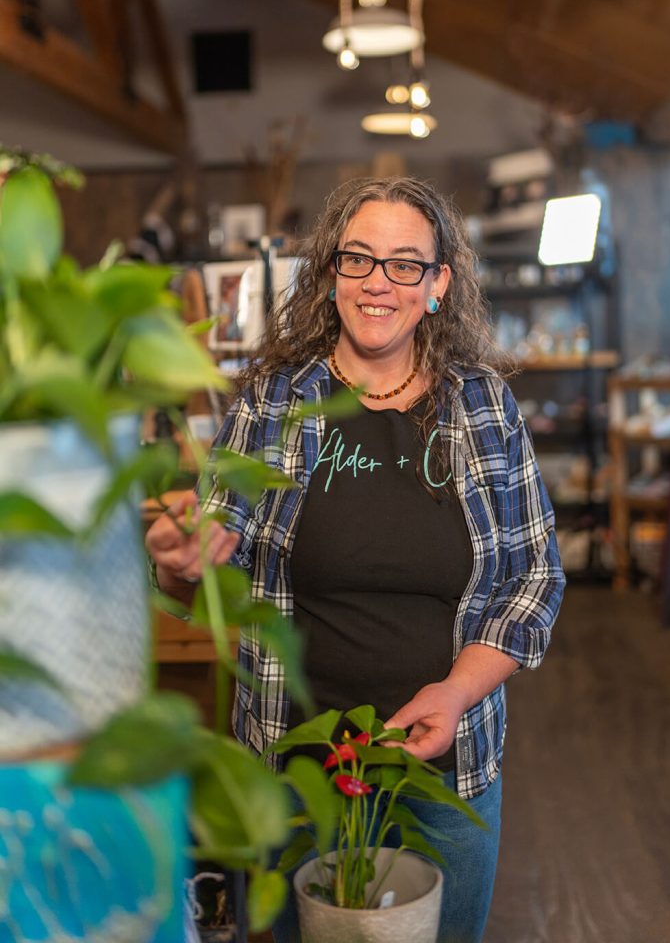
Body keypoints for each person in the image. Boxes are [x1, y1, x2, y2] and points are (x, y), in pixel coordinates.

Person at [146, 176, 565, 942]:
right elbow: (213, 554)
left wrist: (455, 694)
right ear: (331, 274)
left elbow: (535, 578)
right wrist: (181, 561)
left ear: (438, 285)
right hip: (295, 762)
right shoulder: (273, 400)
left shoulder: (483, 406)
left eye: (406, 264)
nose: (379, 281)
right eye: (359, 259)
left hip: (449, 768)